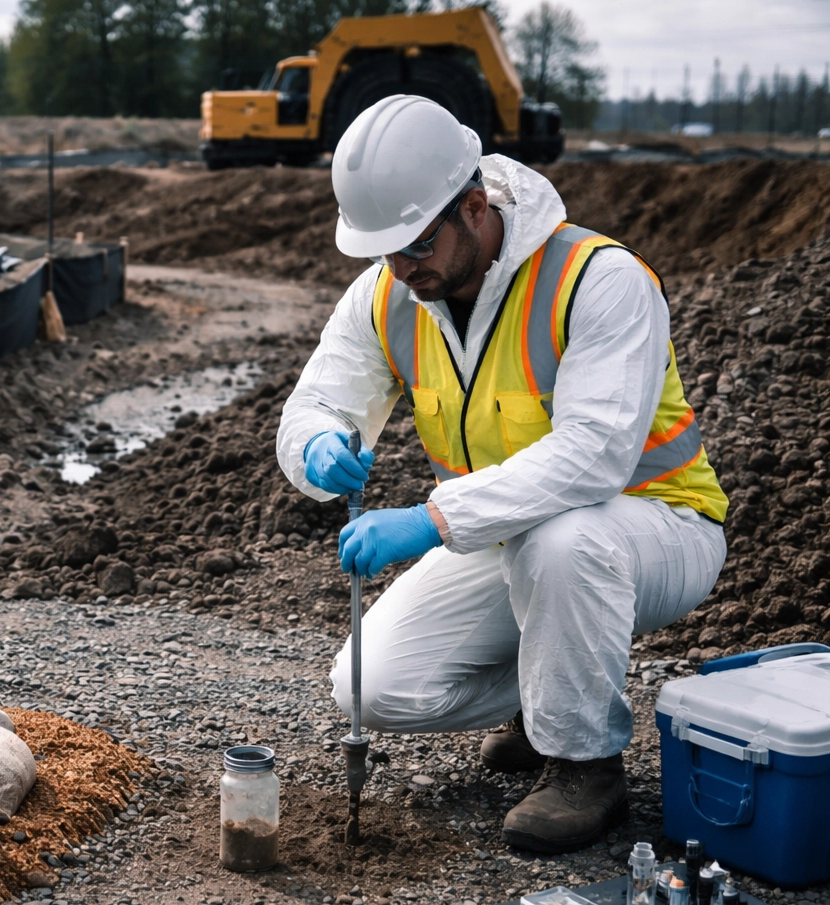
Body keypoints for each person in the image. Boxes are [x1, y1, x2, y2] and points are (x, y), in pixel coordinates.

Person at [276, 95, 728, 853]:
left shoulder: (598, 279)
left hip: (655, 523)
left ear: (476, 207)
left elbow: (593, 457)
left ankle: (583, 762)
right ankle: (554, 693)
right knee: (372, 686)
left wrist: (429, 521)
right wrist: (320, 440)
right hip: (509, 534)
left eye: (416, 245)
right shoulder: (393, 293)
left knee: (563, 541)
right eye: (384, 250)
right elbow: (316, 400)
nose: (401, 267)